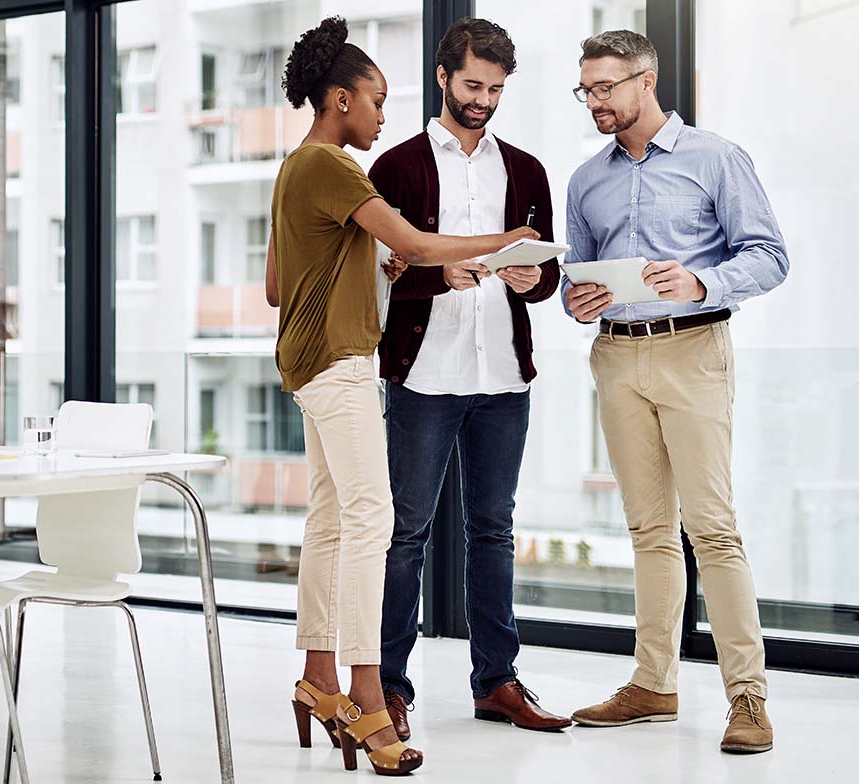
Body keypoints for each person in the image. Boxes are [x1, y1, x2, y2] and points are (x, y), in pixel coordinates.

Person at [269, 15, 538, 775]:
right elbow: (418, 245)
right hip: (343, 363)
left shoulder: (295, 168)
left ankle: (318, 678)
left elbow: (276, 286)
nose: (384, 115)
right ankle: (368, 697)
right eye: (374, 99)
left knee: (330, 521)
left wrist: (364, 267)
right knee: (373, 522)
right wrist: (503, 243)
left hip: (308, 363)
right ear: (336, 99)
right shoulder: (336, 169)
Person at [562, 29, 788, 754]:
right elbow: (578, 278)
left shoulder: (715, 158)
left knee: (712, 529)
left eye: (605, 87)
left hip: (694, 351)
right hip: (616, 357)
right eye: (585, 89)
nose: (594, 101)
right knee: (647, 531)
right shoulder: (586, 180)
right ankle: (653, 683)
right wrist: (577, 303)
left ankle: (748, 699)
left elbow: (770, 256)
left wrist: (702, 281)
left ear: (646, 79)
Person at [368, 17, 570, 739]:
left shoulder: (525, 168)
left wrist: (529, 277)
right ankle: (388, 688)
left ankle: (497, 682)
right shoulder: (394, 167)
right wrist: (435, 275)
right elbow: (378, 275)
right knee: (404, 535)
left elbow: (546, 276)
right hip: (423, 374)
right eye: (474, 84)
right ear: (444, 77)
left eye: (496, 88)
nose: (484, 99)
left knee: (494, 531)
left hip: (503, 376)